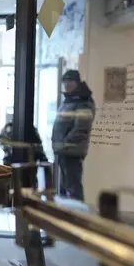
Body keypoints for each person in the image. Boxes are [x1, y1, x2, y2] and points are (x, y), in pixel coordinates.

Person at [51, 70, 95, 200]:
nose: (66, 86)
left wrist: (64, 143)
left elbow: (81, 128)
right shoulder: (69, 100)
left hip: (71, 151)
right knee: (65, 187)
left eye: (69, 82)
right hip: (63, 150)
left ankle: (77, 215)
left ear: (76, 83)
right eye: (65, 83)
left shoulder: (83, 101)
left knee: (73, 187)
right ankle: (66, 214)